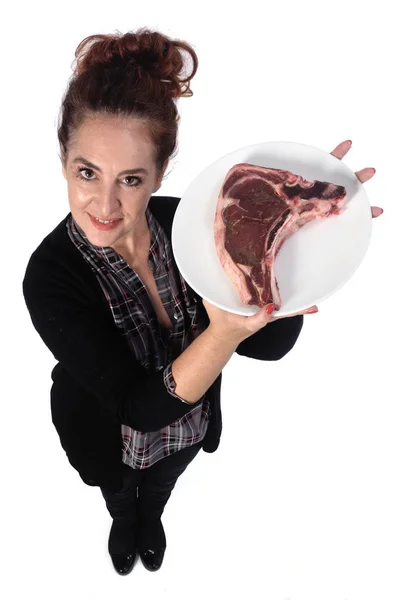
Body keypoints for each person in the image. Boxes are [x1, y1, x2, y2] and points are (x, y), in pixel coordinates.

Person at [22, 27, 383, 577]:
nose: (105, 202)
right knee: (119, 486)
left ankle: (154, 515)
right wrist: (221, 335)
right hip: (107, 435)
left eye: (132, 179)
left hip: (189, 424)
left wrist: (290, 233)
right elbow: (136, 409)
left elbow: (270, 346)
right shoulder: (50, 276)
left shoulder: (190, 225)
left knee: (165, 478)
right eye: (87, 172)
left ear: (161, 175)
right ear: (64, 160)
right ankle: (125, 518)